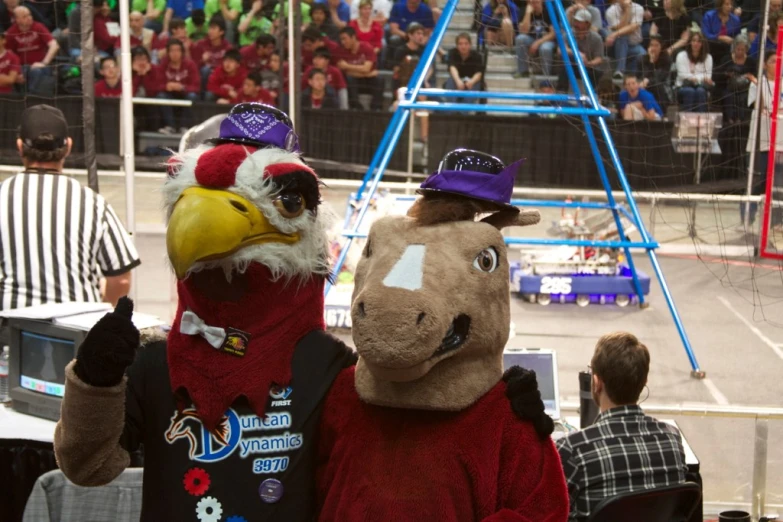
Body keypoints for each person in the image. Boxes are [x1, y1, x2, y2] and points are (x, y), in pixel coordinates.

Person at [0, 104, 140, 313]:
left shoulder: (2, 194)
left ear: (20, 146)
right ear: (68, 147)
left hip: (11, 330)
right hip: (77, 329)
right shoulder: (93, 203)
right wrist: (101, 311)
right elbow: (120, 280)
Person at [556, 332, 687, 521]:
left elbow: (551, 513)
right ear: (643, 383)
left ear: (596, 383)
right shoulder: (672, 439)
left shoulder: (573, 449)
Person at [743, 52, 783, 228]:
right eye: (773, 61)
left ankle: (776, 222)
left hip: (780, 142)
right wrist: (759, 87)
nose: (777, 64)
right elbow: (756, 107)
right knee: (757, 181)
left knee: (779, 184)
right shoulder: (757, 84)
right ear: (765, 64)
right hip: (761, 141)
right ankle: (747, 219)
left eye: (779, 61)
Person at [4, 5, 57, 95]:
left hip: (42, 66)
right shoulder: (11, 33)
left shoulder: (39, 27)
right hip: (22, 67)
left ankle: (31, 97)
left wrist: (44, 63)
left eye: (29, 15)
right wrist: (15, 72)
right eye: (25, 16)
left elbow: (54, 45)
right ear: (17, 19)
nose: (29, 18)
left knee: (36, 71)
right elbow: (8, 54)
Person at [556, 9, 608, 91]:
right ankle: (561, 91)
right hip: (572, 65)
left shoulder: (596, 38)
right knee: (567, 61)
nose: (576, 23)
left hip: (588, 67)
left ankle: (592, 97)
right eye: (575, 20)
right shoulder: (568, 34)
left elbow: (599, 58)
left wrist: (588, 63)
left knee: (598, 73)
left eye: (579, 21)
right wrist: (577, 54)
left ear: (587, 24)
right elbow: (560, 50)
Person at [157, 38, 200, 133]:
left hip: (185, 94)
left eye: (177, 50)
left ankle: (184, 127)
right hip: (169, 94)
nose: (175, 53)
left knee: (192, 96)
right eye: (172, 51)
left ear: (182, 52)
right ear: (167, 52)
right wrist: (166, 86)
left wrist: (182, 87)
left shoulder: (190, 65)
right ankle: (170, 126)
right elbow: (156, 85)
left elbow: (196, 87)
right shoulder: (163, 65)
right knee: (161, 96)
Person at [336, 26, 383, 110]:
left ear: (353, 37)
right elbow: (346, 72)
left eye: (345, 39)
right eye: (341, 39)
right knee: (349, 78)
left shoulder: (367, 47)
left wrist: (347, 66)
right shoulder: (341, 51)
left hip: (368, 82)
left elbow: (366, 68)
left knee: (379, 79)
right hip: (354, 81)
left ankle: (376, 108)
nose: (343, 42)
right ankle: (355, 106)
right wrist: (367, 73)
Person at [718, 34, 755, 124]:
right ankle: (730, 119)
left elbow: (754, 75)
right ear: (734, 48)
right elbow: (718, 75)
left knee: (743, 97)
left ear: (746, 50)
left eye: (742, 50)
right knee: (729, 96)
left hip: (744, 88)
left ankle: (740, 120)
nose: (740, 52)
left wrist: (748, 76)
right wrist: (727, 74)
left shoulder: (751, 61)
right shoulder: (726, 59)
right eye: (738, 49)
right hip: (728, 87)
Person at [605, 0, 647, 78]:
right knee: (622, 36)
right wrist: (627, 11)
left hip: (633, 46)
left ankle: (630, 77)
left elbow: (633, 27)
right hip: (616, 46)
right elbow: (620, 29)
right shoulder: (610, 11)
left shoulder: (638, 8)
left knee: (643, 55)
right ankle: (620, 71)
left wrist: (614, 34)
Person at [514, 0, 555, 78]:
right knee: (520, 39)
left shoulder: (548, 12)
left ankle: (546, 77)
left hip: (546, 40)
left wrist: (538, 42)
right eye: (532, 3)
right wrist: (528, 14)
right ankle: (523, 71)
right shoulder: (524, 11)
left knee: (545, 48)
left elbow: (553, 34)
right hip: (531, 38)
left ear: (541, 2)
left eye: (536, 2)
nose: (534, 5)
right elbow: (523, 32)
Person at [675, 31, 713, 111]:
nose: (696, 43)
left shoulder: (708, 57)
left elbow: (708, 76)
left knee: (700, 91)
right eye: (693, 40)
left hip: (701, 87)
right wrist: (700, 78)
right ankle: (687, 121)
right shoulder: (681, 56)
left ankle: (701, 120)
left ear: (703, 44)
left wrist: (693, 78)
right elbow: (682, 75)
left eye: (699, 41)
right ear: (690, 42)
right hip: (683, 86)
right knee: (690, 91)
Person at [701, 0, 740, 66]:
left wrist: (733, 40)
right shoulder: (709, 16)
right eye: (727, 4)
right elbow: (705, 34)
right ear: (720, 5)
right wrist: (719, 37)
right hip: (711, 47)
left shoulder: (735, 20)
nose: (730, 7)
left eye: (731, 4)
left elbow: (738, 37)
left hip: (728, 50)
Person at [446, 32, 483, 100]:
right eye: (460, 44)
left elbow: (479, 73)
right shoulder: (452, 53)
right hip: (457, 79)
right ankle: (452, 108)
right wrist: (458, 81)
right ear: (457, 46)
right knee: (450, 82)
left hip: (471, 80)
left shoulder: (477, 56)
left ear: (470, 45)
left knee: (476, 85)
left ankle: (464, 110)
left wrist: (472, 81)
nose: (463, 46)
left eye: (466, 43)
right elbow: (452, 67)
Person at [640, 34, 673, 110]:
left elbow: (659, 78)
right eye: (651, 45)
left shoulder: (666, 60)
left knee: (656, 86)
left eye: (656, 45)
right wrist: (651, 61)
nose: (653, 48)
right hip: (645, 85)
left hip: (663, 88)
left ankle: (661, 113)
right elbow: (642, 76)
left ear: (661, 47)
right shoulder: (643, 59)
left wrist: (647, 80)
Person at [0, 29, 21, 94]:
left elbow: (11, 79)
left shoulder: (13, 57)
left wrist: (7, 79)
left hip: (6, 94)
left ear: (4, 41)